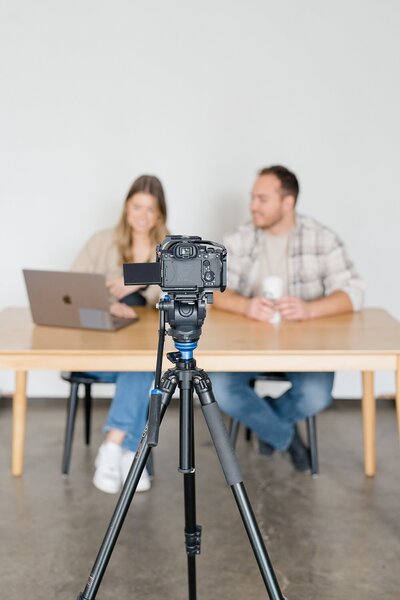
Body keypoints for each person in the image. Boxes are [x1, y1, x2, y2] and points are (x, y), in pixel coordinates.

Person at [211, 165, 365, 471]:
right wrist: (245, 306)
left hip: (303, 348)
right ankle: (287, 438)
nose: (253, 206)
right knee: (220, 387)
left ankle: (266, 425)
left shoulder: (321, 239)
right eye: (252, 198)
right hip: (247, 346)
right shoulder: (240, 239)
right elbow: (210, 290)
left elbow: (354, 293)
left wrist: (310, 309)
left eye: (262, 199)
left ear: (287, 202)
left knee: (316, 395)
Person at [71, 175, 168, 493]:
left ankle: (115, 448)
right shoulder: (102, 241)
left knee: (141, 365)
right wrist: (110, 303)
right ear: (126, 207)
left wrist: (137, 282)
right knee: (142, 369)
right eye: (137, 206)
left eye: (150, 209)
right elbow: (73, 290)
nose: (142, 215)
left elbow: (168, 297)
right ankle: (131, 453)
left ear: (160, 214)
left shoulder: (166, 249)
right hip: (98, 348)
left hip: (138, 353)